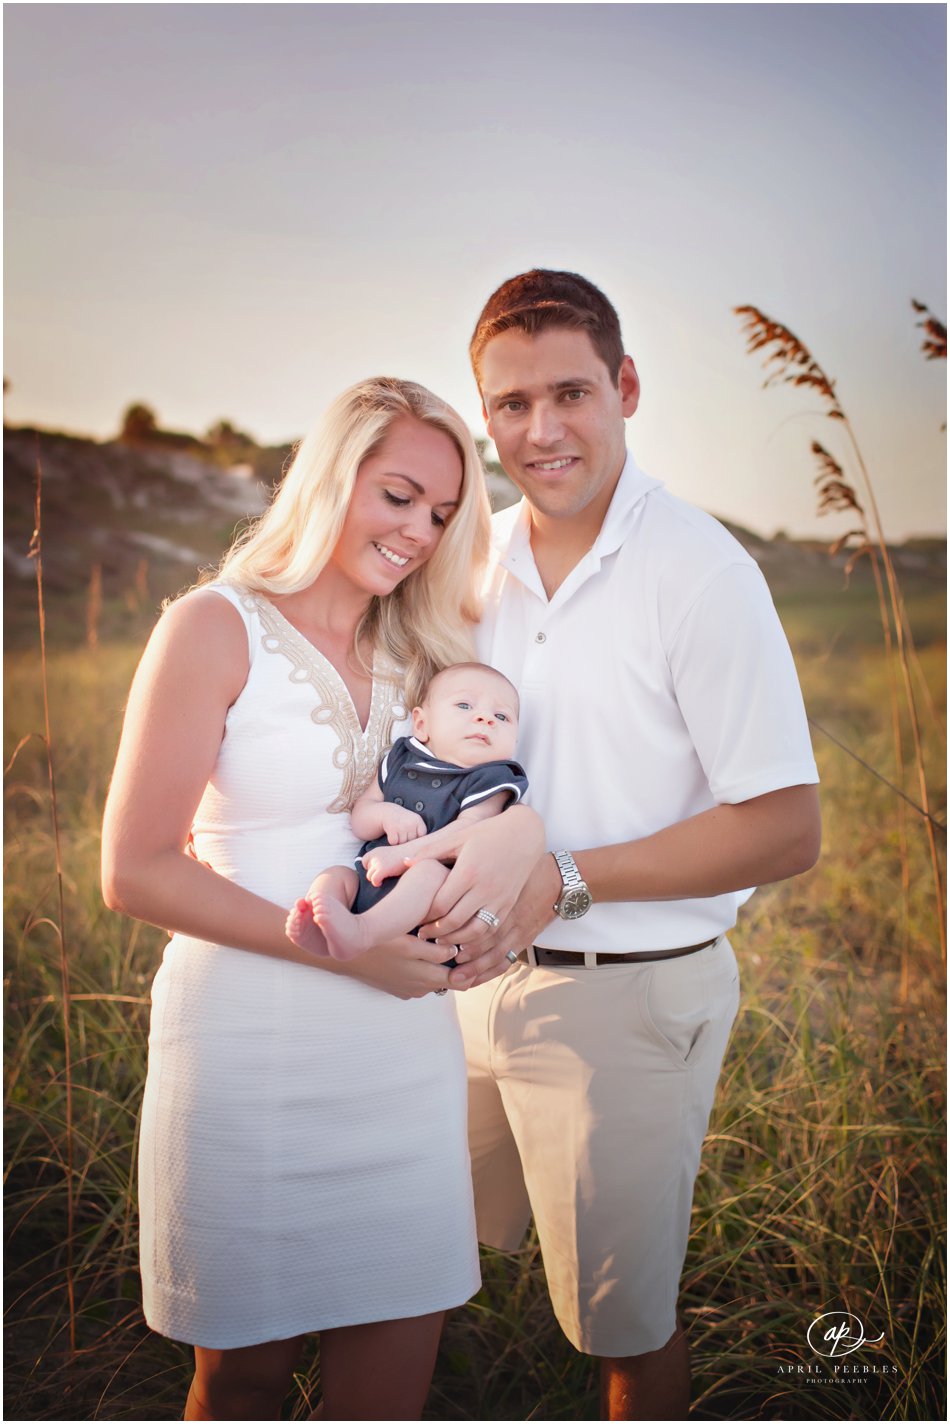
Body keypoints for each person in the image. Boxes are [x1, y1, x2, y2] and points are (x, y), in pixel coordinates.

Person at [407, 270, 822, 1420]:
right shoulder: (466, 559)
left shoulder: (700, 570)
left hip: (620, 1005)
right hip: (448, 990)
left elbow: (784, 825)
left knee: (621, 1326)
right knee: (410, 1275)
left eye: (571, 393)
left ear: (625, 387)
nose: (541, 431)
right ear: (480, 414)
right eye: (509, 404)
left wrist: (565, 880)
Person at [100, 377, 543, 1422]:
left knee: (389, 1385)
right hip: (245, 1053)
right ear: (332, 475)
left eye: (441, 515)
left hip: (398, 1067)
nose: (417, 533)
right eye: (397, 495)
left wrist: (517, 834)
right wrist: (339, 951)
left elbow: (496, 798)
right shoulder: (212, 625)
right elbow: (135, 868)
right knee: (240, 1379)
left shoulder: (427, 656)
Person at [285, 662, 528, 963]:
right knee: (337, 875)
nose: (484, 718)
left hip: (431, 904)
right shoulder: (401, 758)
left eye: (501, 716)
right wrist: (386, 813)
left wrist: (403, 856)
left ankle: (363, 932)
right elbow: (361, 820)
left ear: (514, 741)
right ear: (422, 724)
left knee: (427, 872)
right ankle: (323, 918)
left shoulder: (492, 779)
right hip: (368, 880)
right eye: (465, 705)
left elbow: (470, 831)